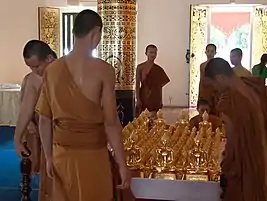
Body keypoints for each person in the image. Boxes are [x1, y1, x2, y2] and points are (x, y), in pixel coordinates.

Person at [35, 9, 130, 201]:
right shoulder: (104, 70)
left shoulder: (52, 70)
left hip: (62, 155)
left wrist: (48, 156)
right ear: (96, 32)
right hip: (93, 155)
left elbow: (44, 119)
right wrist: (121, 164)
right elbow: (111, 123)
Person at [204, 58, 267, 201]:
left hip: (249, 169)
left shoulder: (228, 100)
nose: (214, 90)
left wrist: (226, 164)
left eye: (213, 85)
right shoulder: (261, 89)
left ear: (219, 78)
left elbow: (233, 142)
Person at [14, 40, 56, 201]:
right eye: (30, 67)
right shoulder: (34, 79)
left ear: (49, 58)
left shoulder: (68, 72)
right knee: (49, 179)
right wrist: (17, 138)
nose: (34, 71)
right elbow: (26, 109)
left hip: (68, 137)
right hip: (46, 135)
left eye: (37, 66)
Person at [135, 44, 170, 119]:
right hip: (143, 96)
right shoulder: (140, 67)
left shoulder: (158, 69)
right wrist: (138, 99)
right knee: (142, 120)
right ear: (146, 53)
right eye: (151, 52)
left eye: (155, 52)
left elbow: (160, 85)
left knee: (154, 120)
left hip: (155, 98)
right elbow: (137, 84)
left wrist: (158, 98)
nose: (153, 55)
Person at [198, 44, 219, 114]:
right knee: (204, 112)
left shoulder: (218, 65)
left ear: (215, 53)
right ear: (205, 52)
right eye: (208, 51)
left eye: (212, 51)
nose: (210, 53)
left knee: (215, 112)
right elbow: (201, 80)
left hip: (215, 92)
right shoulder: (202, 65)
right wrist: (200, 95)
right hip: (205, 92)